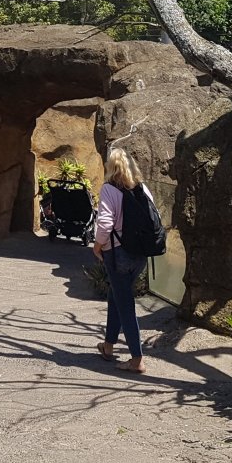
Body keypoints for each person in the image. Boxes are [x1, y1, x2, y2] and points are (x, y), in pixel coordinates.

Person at [91, 146, 153, 374]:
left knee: (125, 304)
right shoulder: (143, 189)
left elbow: (105, 223)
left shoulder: (109, 189)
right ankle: (108, 346)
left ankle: (137, 360)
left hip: (117, 254)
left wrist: (97, 246)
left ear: (111, 167)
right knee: (115, 295)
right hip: (140, 254)